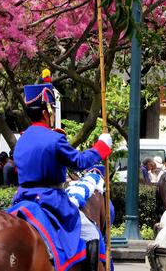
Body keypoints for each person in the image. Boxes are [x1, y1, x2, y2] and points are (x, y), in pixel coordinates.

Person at [6, 73, 113, 271]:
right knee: (92, 234)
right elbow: (80, 162)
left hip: (22, 198)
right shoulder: (54, 139)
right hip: (52, 199)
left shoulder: (21, 140)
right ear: (46, 112)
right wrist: (101, 147)